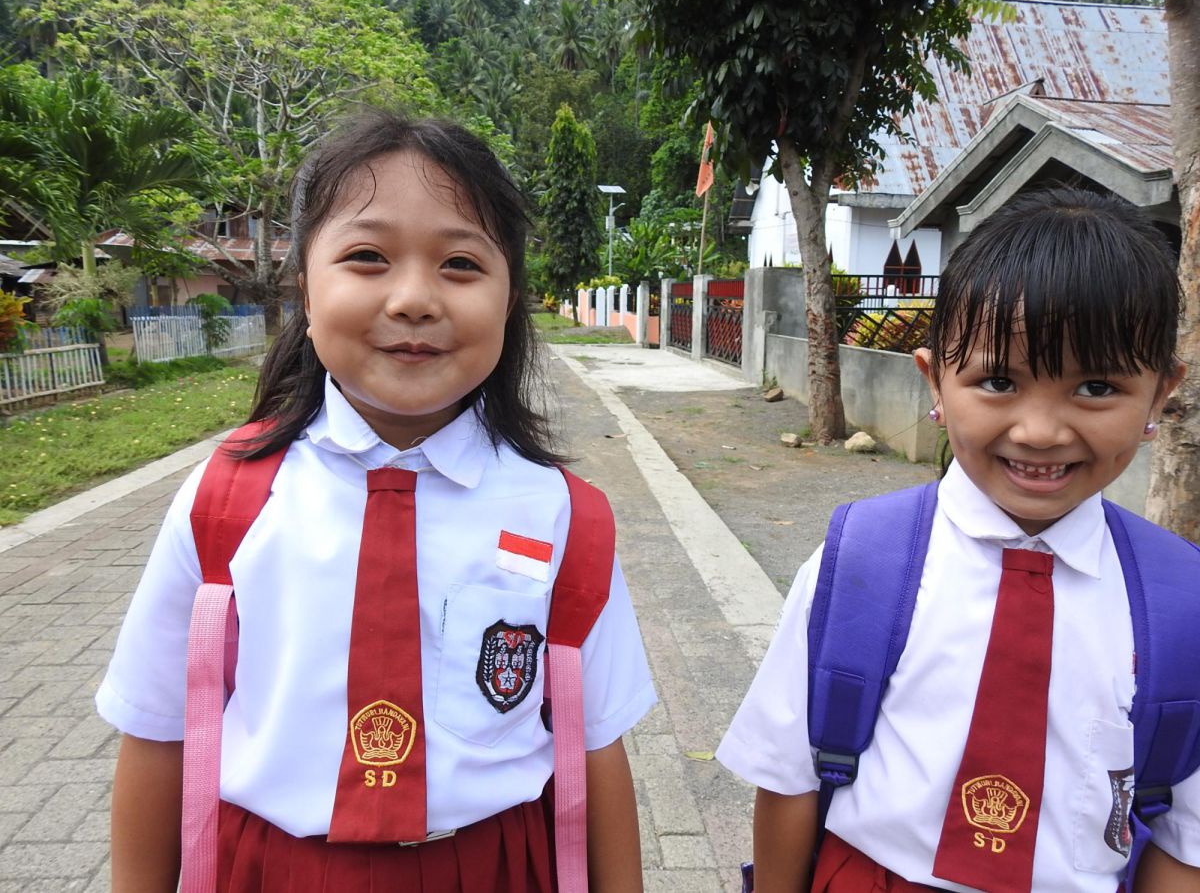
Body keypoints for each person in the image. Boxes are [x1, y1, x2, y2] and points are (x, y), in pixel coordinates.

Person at [97, 112, 656, 892]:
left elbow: (596, 745)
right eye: (367, 257)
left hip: (494, 869)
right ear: (305, 287)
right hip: (272, 871)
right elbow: (158, 732)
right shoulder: (225, 503)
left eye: (460, 263)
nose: (414, 299)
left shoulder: (564, 517)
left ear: (510, 298)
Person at [716, 188, 1200, 892]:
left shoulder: (1182, 605)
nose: (1040, 431)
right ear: (935, 382)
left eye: (1096, 387)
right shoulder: (860, 564)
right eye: (998, 381)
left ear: (1160, 393)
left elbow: (1185, 841)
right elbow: (787, 777)